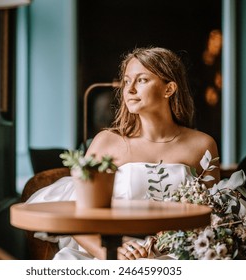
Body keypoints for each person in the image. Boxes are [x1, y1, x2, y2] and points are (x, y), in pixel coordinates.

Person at [27, 46, 220, 260]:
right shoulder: (107, 142)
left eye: (142, 80)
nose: (130, 90)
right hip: (113, 252)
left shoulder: (202, 145)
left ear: (169, 89)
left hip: (180, 255)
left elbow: (216, 216)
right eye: (127, 81)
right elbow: (78, 216)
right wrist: (112, 253)